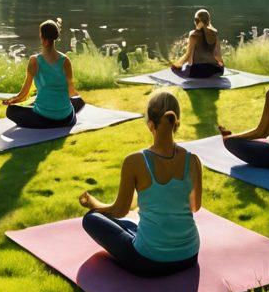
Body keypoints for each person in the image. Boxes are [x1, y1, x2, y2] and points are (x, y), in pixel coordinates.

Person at [79, 90, 202, 277]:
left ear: (150, 125)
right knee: (130, 225)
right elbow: (195, 207)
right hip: (189, 255)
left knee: (91, 219)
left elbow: (119, 210)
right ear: (176, 122)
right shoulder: (192, 160)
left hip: (149, 261)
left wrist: (93, 204)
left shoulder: (134, 161)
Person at [3, 19, 85, 128]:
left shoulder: (34, 61)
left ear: (44, 39)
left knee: (11, 111)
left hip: (43, 119)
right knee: (77, 100)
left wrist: (13, 100)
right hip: (66, 118)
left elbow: (23, 95)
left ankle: (43, 111)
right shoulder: (65, 60)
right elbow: (71, 91)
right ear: (55, 37)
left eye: (40, 35)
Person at [171, 8, 224, 79]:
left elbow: (187, 57)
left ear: (196, 21)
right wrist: (222, 66)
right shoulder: (215, 33)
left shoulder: (193, 35)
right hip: (215, 71)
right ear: (208, 20)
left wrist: (176, 65)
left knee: (174, 68)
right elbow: (217, 55)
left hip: (196, 72)